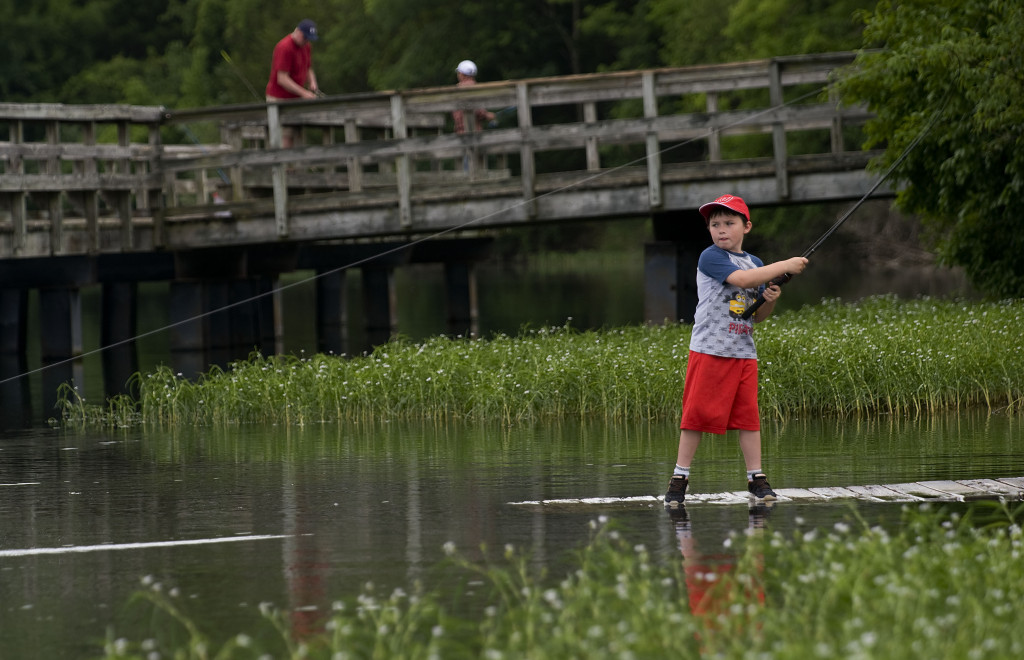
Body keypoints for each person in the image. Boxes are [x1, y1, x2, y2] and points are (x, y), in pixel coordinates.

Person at [664, 194, 808, 509]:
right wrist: (785, 265)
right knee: (695, 417)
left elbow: (758, 316)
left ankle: (757, 478)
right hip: (710, 349)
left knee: (748, 418)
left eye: (729, 223)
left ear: (746, 227)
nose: (721, 230)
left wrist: (769, 299)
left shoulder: (755, 263)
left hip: (743, 352)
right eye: (715, 224)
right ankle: (679, 478)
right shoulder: (711, 257)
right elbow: (742, 280)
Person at [265, 19, 320, 148]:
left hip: (296, 98)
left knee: (297, 132)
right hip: (279, 98)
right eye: (305, 37)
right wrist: (304, 93)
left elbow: (308, 67)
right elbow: (282, 79)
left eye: (309, 39)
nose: (306, 41)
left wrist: (312, 82)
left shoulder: (306, 46)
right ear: (298, 32)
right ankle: (284, 161)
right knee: (285, 135)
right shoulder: (284, 47)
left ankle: (296, 161)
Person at [452, 60, 495, 134]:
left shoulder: (457, 89)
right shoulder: (476, 88)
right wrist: (487, 115)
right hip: (475, 131)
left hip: (460, 132)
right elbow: (479, 111)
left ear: (461, 74)